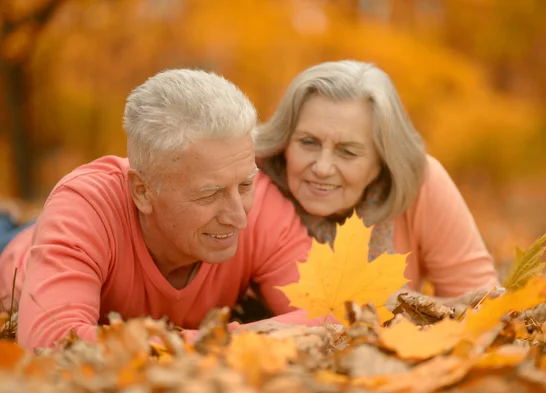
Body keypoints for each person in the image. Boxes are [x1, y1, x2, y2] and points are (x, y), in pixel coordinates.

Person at [0, 68, 324, 352]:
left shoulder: (264, 206)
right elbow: (51, 342)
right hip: (15, 249)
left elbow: (328, 312)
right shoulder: (85, 205)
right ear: (142, 191)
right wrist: (233, 339)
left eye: (244, 186)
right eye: (209, 194)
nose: (239, 218)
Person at [253, 60, 501, 307]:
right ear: (284, 140)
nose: (322, 167)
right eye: (308, 142)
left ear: (383, 160)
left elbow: (481, 304)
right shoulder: (249, 184)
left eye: (348, 152)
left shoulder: (421, 182)